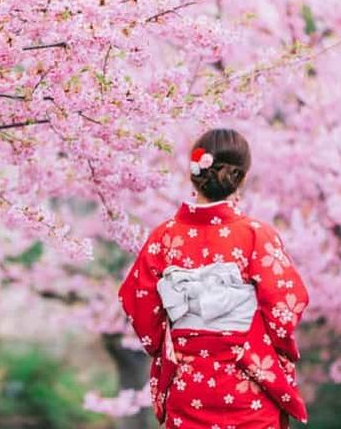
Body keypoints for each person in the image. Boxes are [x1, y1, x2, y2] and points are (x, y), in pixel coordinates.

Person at [118, 128, 310, 429]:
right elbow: (286, 304)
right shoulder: (256, 235)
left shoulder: (164, 237)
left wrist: (171, 343)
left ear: (194, 175)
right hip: (248, 387)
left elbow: (138, 301)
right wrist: (249, 340)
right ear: (241, 178)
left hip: (188, 385)